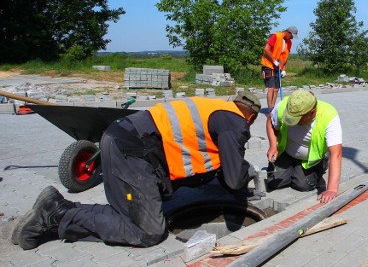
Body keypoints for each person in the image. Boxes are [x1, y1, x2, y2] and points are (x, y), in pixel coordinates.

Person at [12, 92, 262, 250]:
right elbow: (232, 177)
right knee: (147, 232)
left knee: (137, 213)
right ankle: (56, 213)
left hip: (126, 138)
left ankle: (59, 210)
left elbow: (204, 159)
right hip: (132, 150)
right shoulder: (235, 123)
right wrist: (245, 175)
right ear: (250, 118)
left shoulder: (215, 108)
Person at [265, 89, 342, 204]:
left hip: (309, 160)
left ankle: (319, 167)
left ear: (311, 112)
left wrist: (331, 189)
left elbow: (336, 154)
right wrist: (273, 145)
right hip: (286, 152)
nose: (293, 122)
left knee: (302, 185)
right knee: (274, 182)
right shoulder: (285, 106)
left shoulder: (329, 115)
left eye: (297, 119)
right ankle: (293, 168)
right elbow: (270, 121)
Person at [261, 26, 298, 110]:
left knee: (276, 89)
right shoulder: (276, 36)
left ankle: (273, 108)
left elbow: (285, 57)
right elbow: (266, 49)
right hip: (268, 65)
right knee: (271, 88)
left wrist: (284, 69)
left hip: (278, 67)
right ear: (288, 32)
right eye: (291, 36)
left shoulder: (289, 43)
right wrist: (274, 61)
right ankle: (269, 110)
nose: (292, 38)